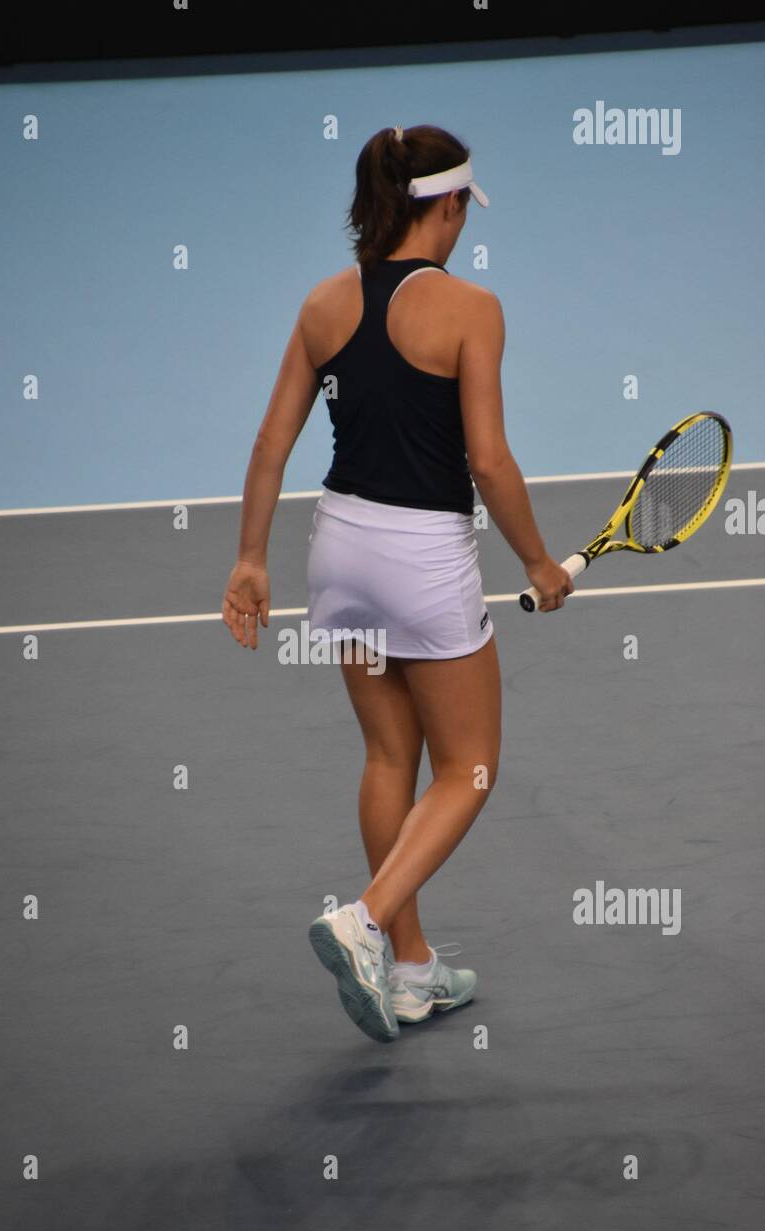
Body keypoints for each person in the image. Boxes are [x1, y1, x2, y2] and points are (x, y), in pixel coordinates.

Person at [222, 123, 572, 1043]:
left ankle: (411, 971)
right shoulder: (472, 310)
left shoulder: (323, 303)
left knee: (389, 759)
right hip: (422, 558)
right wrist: (538, 562)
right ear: (447, 204)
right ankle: (367, 920)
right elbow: (488, 463)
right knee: (470, 770)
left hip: (337, 549)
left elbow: (270, 444)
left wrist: (250, 559)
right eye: (464, 208)